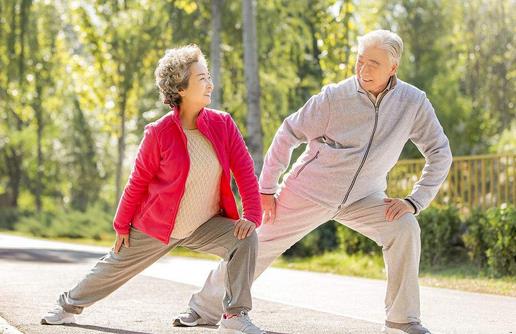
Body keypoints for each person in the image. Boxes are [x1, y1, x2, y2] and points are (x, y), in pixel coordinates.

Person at [177, 30, 452, 334]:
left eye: (374, 63)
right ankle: (203, 308)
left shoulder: (412, 103)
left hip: (365, 197)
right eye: (360, 61)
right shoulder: (334, 98)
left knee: (404, 227)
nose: (363, 69)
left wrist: (415, 201)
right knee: (256, 243)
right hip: (308, 191)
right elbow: (287, 134)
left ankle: (402, 320)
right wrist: (267, 188)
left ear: (393, 67)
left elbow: (440, 152)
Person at [41, 45, 266, 334]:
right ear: (181, 88)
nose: (210, 83)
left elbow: (245, 171)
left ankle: (234, 315)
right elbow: (138, 181)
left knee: (245, 239)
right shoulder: (159, 133)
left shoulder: (223, 124)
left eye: (208, 76)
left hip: (204, 223)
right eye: (201, 78)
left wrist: (252, 215)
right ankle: (67, 306)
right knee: (114, 266)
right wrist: (122, 225)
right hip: (158, 224)